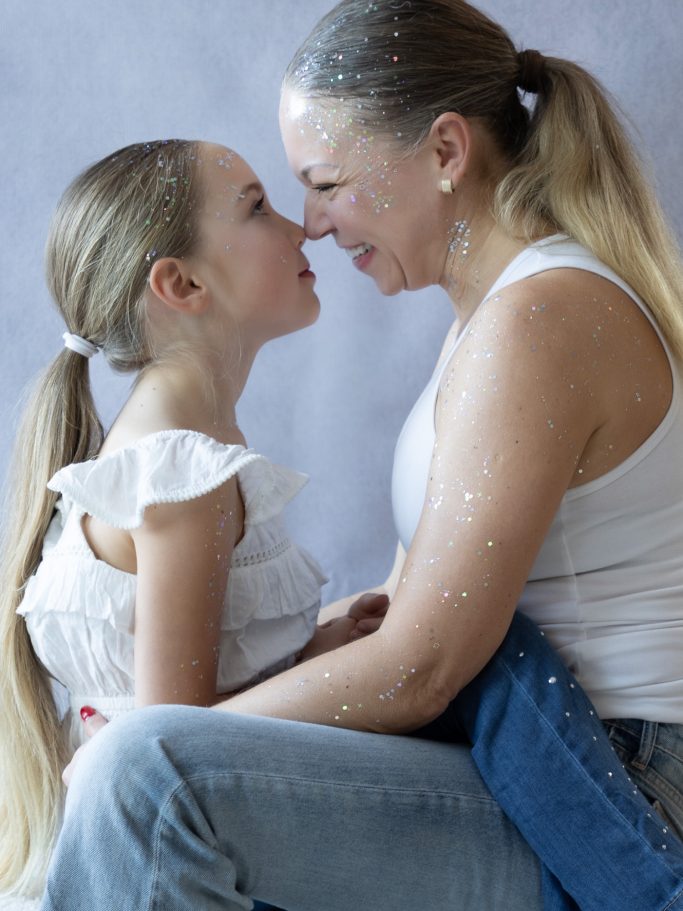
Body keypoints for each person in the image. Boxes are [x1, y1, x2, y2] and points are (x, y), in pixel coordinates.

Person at [33, 1, 683, 908]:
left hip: (613, 782)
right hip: (528, 755)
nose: (314, 223)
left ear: (446, 152)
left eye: (327, 181)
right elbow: (403, 623)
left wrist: (172, 736)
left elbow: (421, 664)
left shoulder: (537, 321)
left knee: (150, 779)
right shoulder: (491, 327)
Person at [0, 138, 391, 905]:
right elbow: (172, 745)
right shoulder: (181, 474)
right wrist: (333, 674)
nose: (300, 229)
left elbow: (191, 703)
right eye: (256, 208)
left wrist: (314, 643)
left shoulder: (181, 443)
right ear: (180, 283)